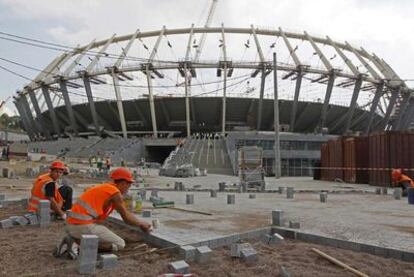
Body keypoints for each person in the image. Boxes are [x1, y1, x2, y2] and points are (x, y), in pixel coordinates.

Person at [55, 168, 151, 258]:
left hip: (72, 224)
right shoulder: (115, 193)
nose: (128, 189)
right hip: (81, 225)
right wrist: (141, 223)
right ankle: (78, 246)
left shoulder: (105, 188)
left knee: (103, 233)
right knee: (119, 244)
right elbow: (126, 216)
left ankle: (75, 239)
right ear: (122, 183)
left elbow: (98, 218)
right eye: (128, 185)